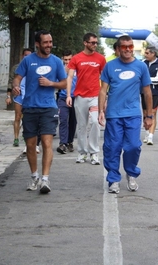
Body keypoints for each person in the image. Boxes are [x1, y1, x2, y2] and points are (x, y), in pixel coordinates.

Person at [12, 30, 67, 194]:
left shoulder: (56, 62)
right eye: (45, 42)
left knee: (47, 142)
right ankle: (34, 176)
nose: (49, 45)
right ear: (38, 44)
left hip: (49, 107)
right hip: (29, 107)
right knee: (30, 145)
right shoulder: (28, 61)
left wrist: (51, 83)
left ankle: (45, 179)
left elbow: (64, 83)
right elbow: (17, 78)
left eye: (50, 42)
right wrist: (15, 86)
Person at [98, 35, 153, 194]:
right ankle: (114, 179)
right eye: (124, 47)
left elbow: (147, 92)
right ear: (118, 49)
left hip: (133, 114)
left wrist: (149, 115)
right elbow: (103, 90)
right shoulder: (110, 66)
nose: (128, 49)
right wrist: (101, 110)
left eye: (130, 46)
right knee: (113, 147)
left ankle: (131, 172)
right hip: (114, 115)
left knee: (133, 146)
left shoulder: (141, 67)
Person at [66, 32, 106, 165]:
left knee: (95, 122)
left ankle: (94, 153)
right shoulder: (76, 58)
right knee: (82, 126)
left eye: (96, 43)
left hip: (95, 96)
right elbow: (70, 77)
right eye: (92, 42)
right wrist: (68, 95)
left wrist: (104, 97)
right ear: (85, 43)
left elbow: (105, 79)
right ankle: (82, 153)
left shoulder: (100, 59)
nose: (95, 45)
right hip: (80, 96)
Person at [6, 48, 33, 147]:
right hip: (19, 96)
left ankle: (26, 136)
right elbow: (10, 82)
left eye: (29, 55)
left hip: (30, 96)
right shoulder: (17, 68)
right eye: (25, 55)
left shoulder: (33, 67)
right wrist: (8, 96)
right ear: (22, 56)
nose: (27, 57)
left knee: (27, 118)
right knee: (17, 117)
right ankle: (16, 138)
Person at [142, 46, 158, 145]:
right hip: (143, 91)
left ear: (153, 54)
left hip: (155, 91)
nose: (145, 55)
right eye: (145, 53)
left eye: (147, 53)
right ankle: (146, 133)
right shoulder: (143, 63)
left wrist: (146, 80)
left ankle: (151, 136)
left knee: (153, 113)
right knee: (145, 113)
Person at [57, 50, 77, 154]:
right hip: (63, 97)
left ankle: (70, 141)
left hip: (75, 98)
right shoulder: (60, 69)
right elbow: (56, 82)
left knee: (73, 121)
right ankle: (63, 143)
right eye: (65, 60)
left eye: (70, 59)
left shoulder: (77, 69)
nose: (67, 62)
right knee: (63, 119)